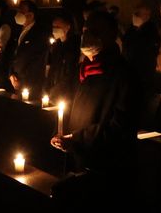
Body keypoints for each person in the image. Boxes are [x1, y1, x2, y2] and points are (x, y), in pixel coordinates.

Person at [51, 15, 136, 174]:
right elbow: (64, 102)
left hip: (104, 163)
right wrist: (59, 132)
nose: (87, 35)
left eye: (95, 31)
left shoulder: (123, 74)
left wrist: (77, 138)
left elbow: (119, 125)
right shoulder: (81, 70)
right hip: (76, 154)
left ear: (111, 35)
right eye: (85, 31)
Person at [8, 0, 49, 95]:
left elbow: (38, 60)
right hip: (15, 79)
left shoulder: (39, 33)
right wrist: (11, 74)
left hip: (30, 83)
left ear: (31, 15)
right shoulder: (17, 30)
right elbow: (12, 52)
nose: (18, 14)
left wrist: (23, 81)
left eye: (22, 12)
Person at [45, 13, 81, 105]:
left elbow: (70, 72)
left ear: (68, 27)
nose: (55, 29)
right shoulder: (57, 46)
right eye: (53, 26)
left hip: (65, 94)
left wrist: (56, 89)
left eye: (58, 26)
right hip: (53, 91)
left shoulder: (74, 46)